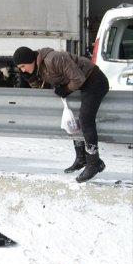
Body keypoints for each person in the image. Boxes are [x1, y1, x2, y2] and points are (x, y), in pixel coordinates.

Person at [13, 46, 110, 183]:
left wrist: (65, 89)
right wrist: (29, 78)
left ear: (31, 60)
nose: (23, 69)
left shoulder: (54, 58)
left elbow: (78, 78)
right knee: (73, 120)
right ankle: (81, 158)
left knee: (85, 118)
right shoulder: (40, 68)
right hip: (80, 85)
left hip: (94, 80)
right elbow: (41, 88)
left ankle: (94, 162)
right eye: (20, 68)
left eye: (23, 66)